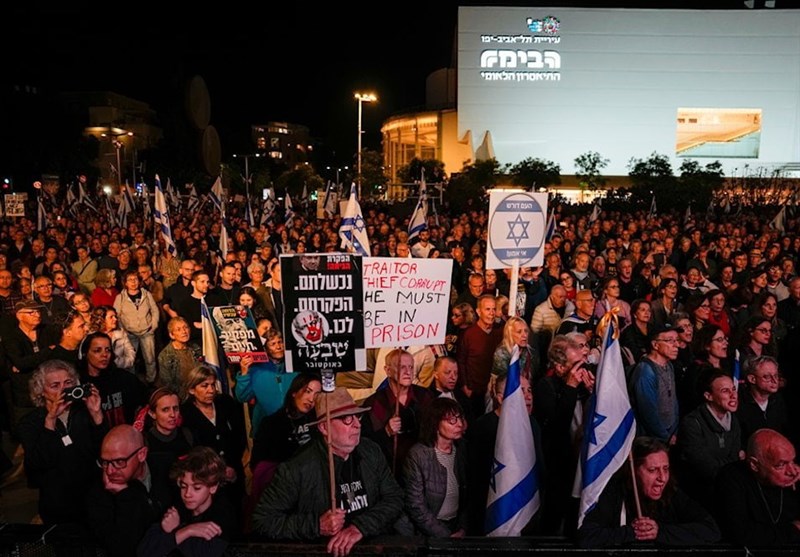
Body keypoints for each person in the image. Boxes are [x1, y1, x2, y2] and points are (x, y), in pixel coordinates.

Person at [252, 387, 404, 557]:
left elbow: (395, 497)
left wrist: (361, 527)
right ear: (324, 427)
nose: (357, 424)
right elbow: (263, 521)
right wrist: (316, 525)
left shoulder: (371, 451)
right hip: (324, 551)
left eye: (357, 416)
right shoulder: (297, 468)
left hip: (370, 544)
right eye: (347, 418)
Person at [577, 437, 720, 547]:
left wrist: (659, 532)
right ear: (634, 471)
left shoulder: (672, 492)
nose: (662, 478)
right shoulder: (614, 491)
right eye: (652, 470)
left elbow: (711, 530)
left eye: (666, 469)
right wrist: (632, 532)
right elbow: (586, 535)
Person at [17, 359, 107, 526]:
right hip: (57, 504)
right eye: (55, 386)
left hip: (92, 498)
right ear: (41, 391)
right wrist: (50, 420)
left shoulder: (84, 412)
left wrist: (97, 415)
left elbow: (104, 451)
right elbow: (38, 463)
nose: (63, 390)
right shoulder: (30, 423)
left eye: (68, 383)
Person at [535, 334, 593, 535]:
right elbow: (556, 427)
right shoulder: (545, 386)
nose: (581, 369)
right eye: (576, 364)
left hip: (581, 462)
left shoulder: (583, 386)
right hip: (558, 467)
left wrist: (592, 392)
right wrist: (570, 387)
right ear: (560, 367)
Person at [138, 446, 236, 557]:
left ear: (213, 488)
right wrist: (187, 531)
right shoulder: (175, 509)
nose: (187, 494)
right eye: (183, 486)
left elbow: (205, 553)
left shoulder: (223, 514)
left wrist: (175, 531)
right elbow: (144, 552)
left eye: (197, 488)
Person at [85, 425, 162, 557]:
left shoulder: (165, 468)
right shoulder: (98, 494)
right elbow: (121, 548)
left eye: (119, 461)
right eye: (105, 462)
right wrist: (124, 495)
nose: (109, 471)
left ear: (141, 454)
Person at [714, 429, 800, 546]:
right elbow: (741, 534)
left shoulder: (795, 477)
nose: (792, 471)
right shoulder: (731, 478)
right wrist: (793, 530)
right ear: (754, 464)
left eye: (792, 461)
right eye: (781, 465)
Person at [180, 365, 247, 515]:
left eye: (213, 385)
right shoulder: (185, 414)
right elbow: (190, 450)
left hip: (233, 474)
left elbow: (239, 436)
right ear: (192, 390)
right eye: (204, 386)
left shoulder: (226, 403)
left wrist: (232, 466)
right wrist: (216, 471)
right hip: (204, 481)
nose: (211, 390)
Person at [363, 348, 435, 480]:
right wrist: (386, 431)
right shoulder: (374, 403)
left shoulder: (425, 397)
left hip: (423, 471)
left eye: (411, 367)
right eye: (402, 367)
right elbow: (364, 443)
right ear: (388, 370)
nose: (408, 372)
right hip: (388, 472)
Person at [403, 397, 468, 537]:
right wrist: (445, 535)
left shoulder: (462, 449)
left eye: (460, 418)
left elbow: (469, 497)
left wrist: (463, 529)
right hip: (429, 531)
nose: (459, 424)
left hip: (457, 527)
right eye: (451, 420)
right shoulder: (419, 455)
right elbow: (415, 505)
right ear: (435, 423)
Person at [676, 371, 742, 507]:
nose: (733, 395)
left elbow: (735, 458)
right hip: (700, 495)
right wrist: (732, 465)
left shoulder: (734, 420)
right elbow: (705, 467)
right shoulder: (692, 423)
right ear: (708, 396)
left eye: (733, 389)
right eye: (725, 391)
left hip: (728, 488)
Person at [234, 329, 294, 437]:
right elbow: (242, 397)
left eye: (280, 342)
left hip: (292, 426)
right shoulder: (256, 370)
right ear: (265, 348)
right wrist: (244, 373)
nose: (278, 346)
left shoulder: (294, 367)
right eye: (273, 344)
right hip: (264, 429)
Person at [79, 331, 147, 427]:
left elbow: (147, 399)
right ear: (85, 354)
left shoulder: (124, 378)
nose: (104, 355)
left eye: (108, 350)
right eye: (97, 350)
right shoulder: (79, 384)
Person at [629, 323, 681, 443]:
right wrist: (666, 437)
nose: (677, 345)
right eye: (670, 340)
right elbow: (648, 413)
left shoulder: (669, 365)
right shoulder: (645, 371)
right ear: (655, 344)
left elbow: (673, 400)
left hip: (669, 433)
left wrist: (674, 430)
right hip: (652, 439)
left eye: (677, 340)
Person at [145, 387, 194, 511]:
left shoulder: (188, 435)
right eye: (165, 410)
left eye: (175, 408)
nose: (172, 415)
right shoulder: (144, 441)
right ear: (152, 413)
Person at [457, 294, 503, 417]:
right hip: (474, 392)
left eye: (494, 309)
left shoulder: (500, 332)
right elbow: (460, 361)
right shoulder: (468, 334)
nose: (491, 313)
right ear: (478, 311)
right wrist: (465, 387)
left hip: (494, 391)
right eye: (488, 309)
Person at [115, 270, 160, 384]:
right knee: (131, 360)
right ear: (125, 283)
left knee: (150, 359)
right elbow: (117, 315)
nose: (133, 282)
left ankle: (151, 381)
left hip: (147, 332)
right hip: (130, 333)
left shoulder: (146, 294)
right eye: (130, 280)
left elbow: (154, 310)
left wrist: (153, 325)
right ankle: (132, 381)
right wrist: (123, 331)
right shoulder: (120, 297)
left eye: (135, 279)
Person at [736, 355, 792, 446]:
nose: (774, 381)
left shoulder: (778, 400)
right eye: (767, 377)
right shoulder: (739, 404)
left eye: (776, 375)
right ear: (752, 379)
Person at [157, 316, 202, 398]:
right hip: (180, 397)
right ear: (172, 335)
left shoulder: (196, 348)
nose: (184, 331)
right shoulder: (165, 355)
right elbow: (168, 384)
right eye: (178, 329)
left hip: (199, 392)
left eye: (186, 327)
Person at [91, 305, 137, 372]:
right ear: (101, 320)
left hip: (122, 371)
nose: (115, 319)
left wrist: (123, 363)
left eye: (115, 316)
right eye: (111, 317)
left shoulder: (120, 333)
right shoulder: (92, 337)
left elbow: (130, 350)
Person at [620, 299, 651, 369]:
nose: (647, 313)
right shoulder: (628, 332)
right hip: (637, 366)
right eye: (643, 310)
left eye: (649, 310)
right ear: (634, 314)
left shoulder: (654, 328)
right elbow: (634, 351)